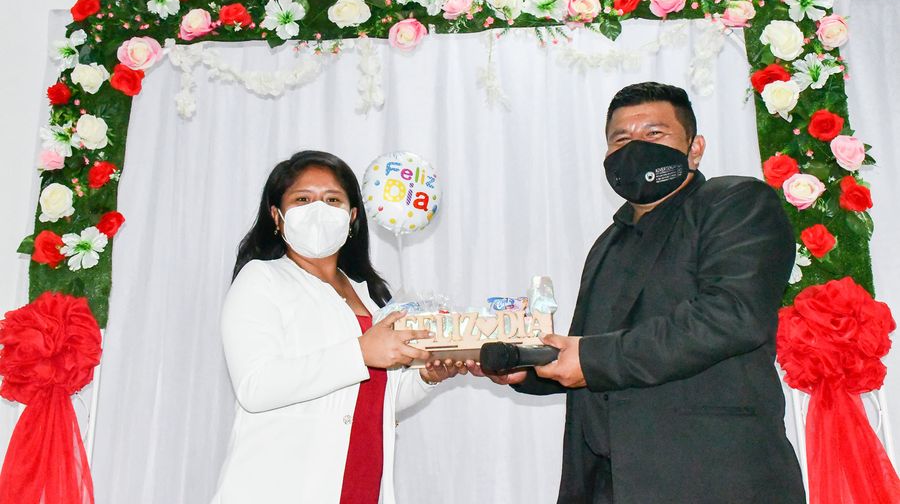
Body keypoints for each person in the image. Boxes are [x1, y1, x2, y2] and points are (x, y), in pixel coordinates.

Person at [471, 82, 806, 503]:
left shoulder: (734, 202)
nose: (635, 148)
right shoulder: (608, 243)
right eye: (621, 139)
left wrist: (591, 358)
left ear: (695, 148)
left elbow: (731, 316)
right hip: (607, 483)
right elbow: (590, 351)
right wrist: (527, 369)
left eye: (654, 134)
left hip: (713, 479)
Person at [211, 150, 464, 504]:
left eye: (332, 200)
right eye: (303, 199)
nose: (319, 210)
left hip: (361, 480)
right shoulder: (261, 279)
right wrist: (361, 352)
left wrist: (425, 378)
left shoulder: (369, 295)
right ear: (277, 216)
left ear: (352, 217)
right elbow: (255, 386)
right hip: (283, 486)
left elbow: (371, 401)